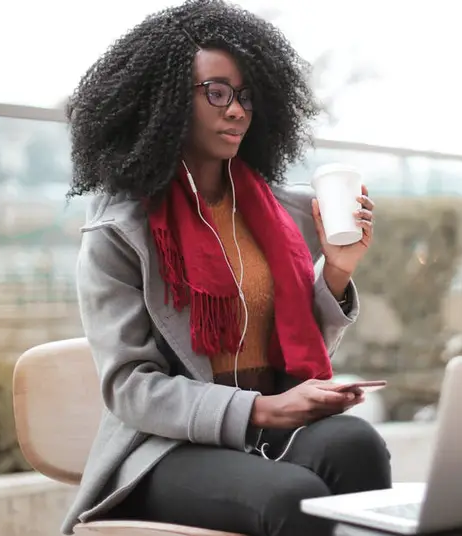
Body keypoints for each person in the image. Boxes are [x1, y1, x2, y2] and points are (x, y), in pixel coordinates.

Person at [60, 2, 392, 535]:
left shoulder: (284, 211)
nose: (236, 110)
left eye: (245, 95)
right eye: (216, 92)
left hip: (268, 424)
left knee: (358, 444)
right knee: (295, 496)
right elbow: (131, 387)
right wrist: (260, 410)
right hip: (166, 447)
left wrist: (336, 269)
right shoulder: (120, 231)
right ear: (165, 101)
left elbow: (299, 346)